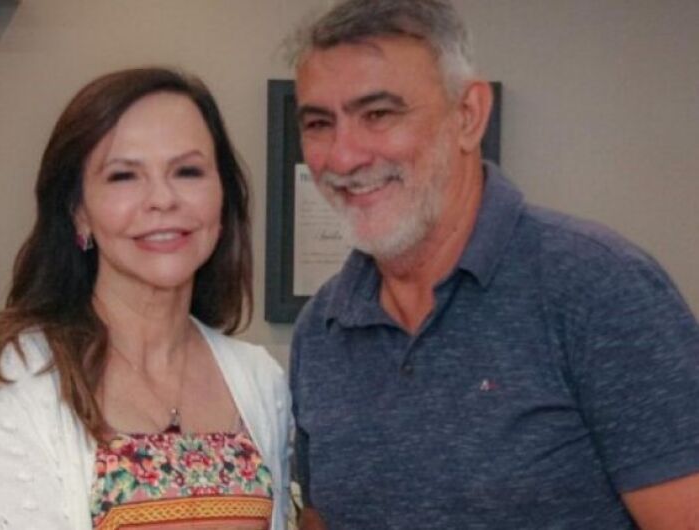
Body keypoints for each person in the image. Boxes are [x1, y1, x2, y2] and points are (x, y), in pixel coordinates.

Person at [288, 1, 699, 529]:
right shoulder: (320, 332)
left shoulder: (600, 288)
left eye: (379, 114)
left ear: (468, 115)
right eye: (319, 123)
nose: (344, 157)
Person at [0, 67, 290, 530]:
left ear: (223, 198)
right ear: (78, 212)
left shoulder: (262, 381)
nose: (162, 199)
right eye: (124, 176)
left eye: (187, 171)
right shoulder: (15, 372)